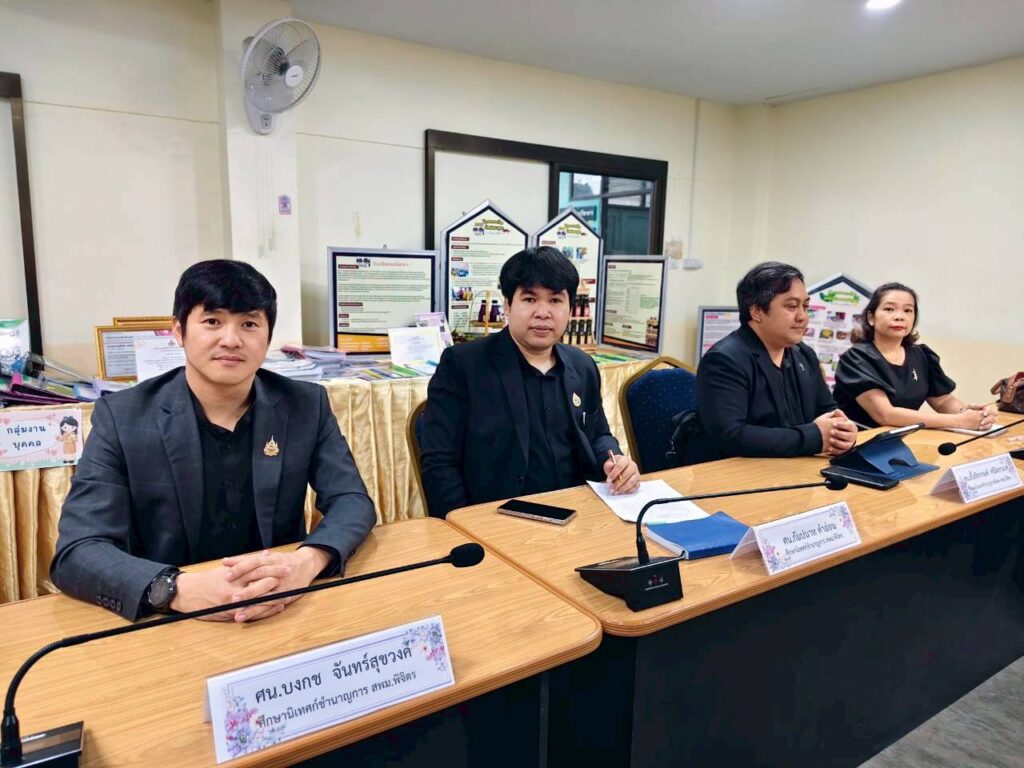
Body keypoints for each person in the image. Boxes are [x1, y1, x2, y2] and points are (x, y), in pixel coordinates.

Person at [51, 260, 376, 622]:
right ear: (178, 331)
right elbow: (78, 550)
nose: (231, 340)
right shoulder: (123, 417)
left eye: (249, 324)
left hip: (281, 606)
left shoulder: (305, 404)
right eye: (212, 321)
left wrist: (305, 562)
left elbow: (351, 500)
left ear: (268, 337)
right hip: (169, 619)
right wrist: (175, 589)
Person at [419, 246, 639, 519]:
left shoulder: (582, 366)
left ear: (570, 309)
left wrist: (614, 460)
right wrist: (463, 525)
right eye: (530, 299)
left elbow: (598, 435)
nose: (543, 312)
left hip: (580, 513)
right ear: (508, 305)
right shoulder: (464, 365)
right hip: (498, 518)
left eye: (555, 300)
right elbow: (439, 463)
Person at [683, 261, 858, 465]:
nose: (802, 316)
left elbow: (828, 412)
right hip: (737, 473)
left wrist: (842, 433)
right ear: (757, 311)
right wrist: (813, 437)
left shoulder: (804, 354)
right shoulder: (724, 360)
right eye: (792, 306)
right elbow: (731, 435)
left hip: (795, 467)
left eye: (805, 306)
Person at [833, 282, 996, 430]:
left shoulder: (921, 354)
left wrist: (969, 414)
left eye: (908, 310)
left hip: (904, 439)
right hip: (859, 442)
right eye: (889, 309)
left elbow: (943, 400)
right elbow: (885, 415)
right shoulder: (856, 358)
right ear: (871, 317)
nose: (899, 316)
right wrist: (959, 421)